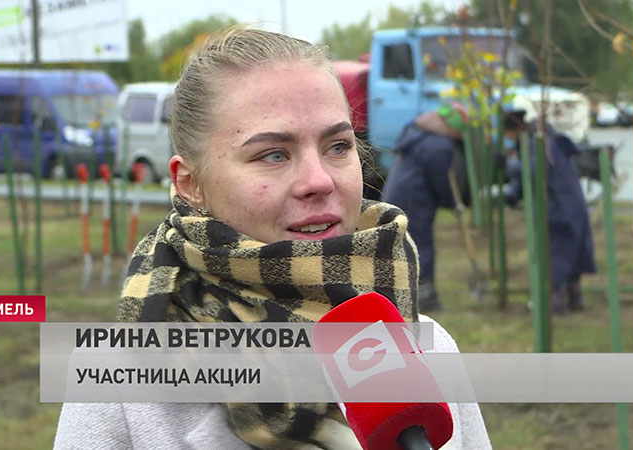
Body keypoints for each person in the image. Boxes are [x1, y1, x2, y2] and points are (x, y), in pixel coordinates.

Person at [54, 27, 491, 450]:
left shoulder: (427, 346)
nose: (319, 181)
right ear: (190, 184)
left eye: (338, 146)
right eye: (273, 155)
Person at [501, 102, 597, 314]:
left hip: (559, 206)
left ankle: (555, 304)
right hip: (571, 203)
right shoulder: (544, 139)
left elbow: (535, 168)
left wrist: (507, 166)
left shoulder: (538, 142)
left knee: (558, 255)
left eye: (507, 133)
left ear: (513, 130)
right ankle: (574, 298)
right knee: (570, 253)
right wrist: (513, 193)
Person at [380, 103, 469, 311]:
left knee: (400, 245)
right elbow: (440, 180)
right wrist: (452, 202)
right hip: (415, 199)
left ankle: (398, 294)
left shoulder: (417, 131)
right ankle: (424, 297)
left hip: (396, 193)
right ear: (453, 129)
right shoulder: (439, 146)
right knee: (421, 245)